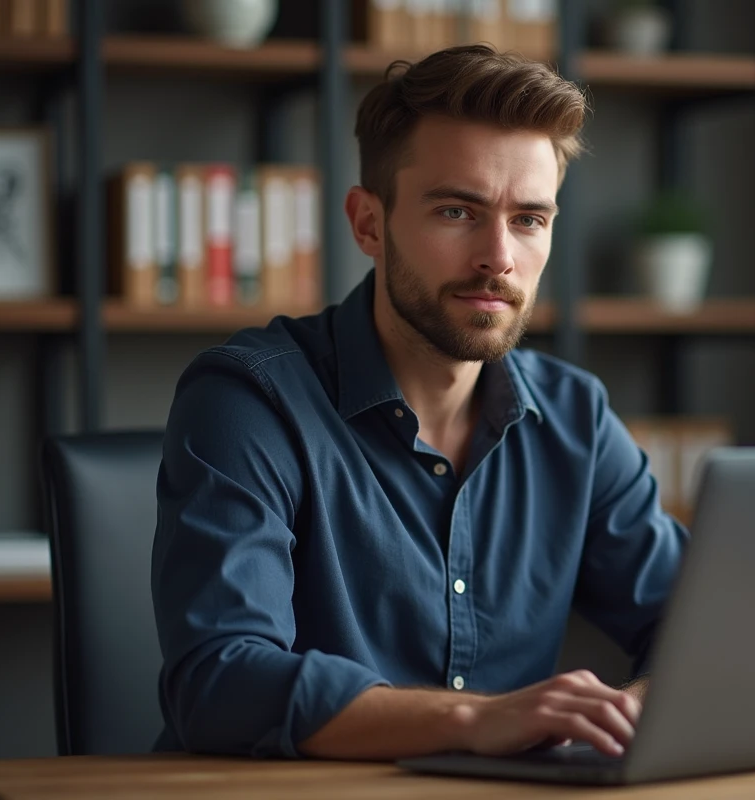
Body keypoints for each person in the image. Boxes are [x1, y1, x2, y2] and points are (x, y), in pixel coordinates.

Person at [150, 43, 689, 762]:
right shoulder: (249, 400)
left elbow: (694, 621)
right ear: (369, 224)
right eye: (458, 211)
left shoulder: (575, 418)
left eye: (529, 219)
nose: (498, 256)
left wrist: (649, 703)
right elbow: (218, 682)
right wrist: (474, 720)